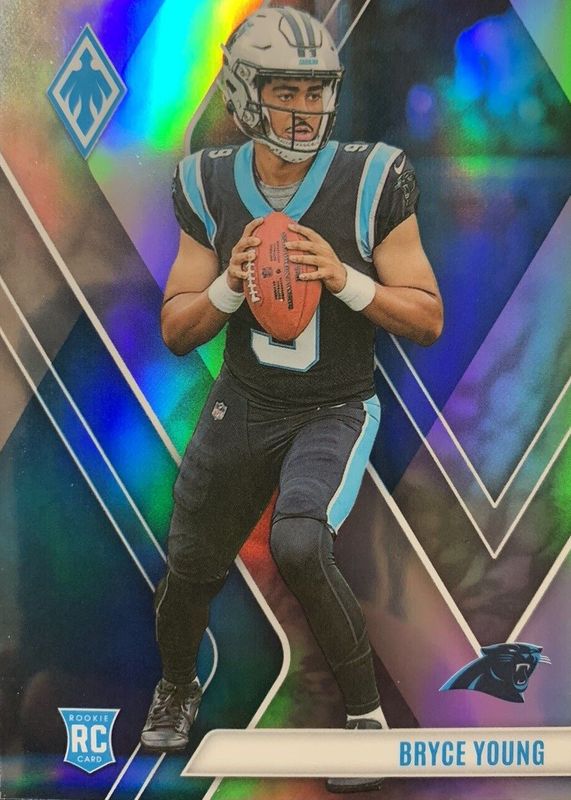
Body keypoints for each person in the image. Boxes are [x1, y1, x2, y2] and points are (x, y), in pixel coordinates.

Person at [140, 7, 443, 793]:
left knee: (301, 545)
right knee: (189, 563)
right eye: (286, 91)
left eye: (316, 92)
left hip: (333, 404)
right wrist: (229, 285)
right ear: (246, 92)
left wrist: (345, 280)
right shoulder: (207, 181)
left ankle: (366, 718)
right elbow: (176, 328)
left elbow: (426, 318)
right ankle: (177, 683)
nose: (305, 109)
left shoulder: (372, 178)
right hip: (246, 399)